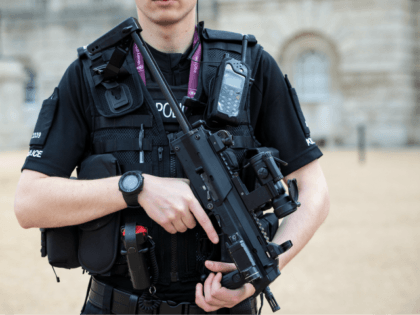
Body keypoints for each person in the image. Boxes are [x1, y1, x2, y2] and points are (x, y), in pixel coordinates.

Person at [14, 0, 330, 314]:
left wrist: (262, 273)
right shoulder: (89, 74)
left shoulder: (252, 65)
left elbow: (313, 189)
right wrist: (135, 188)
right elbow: (29, 203)